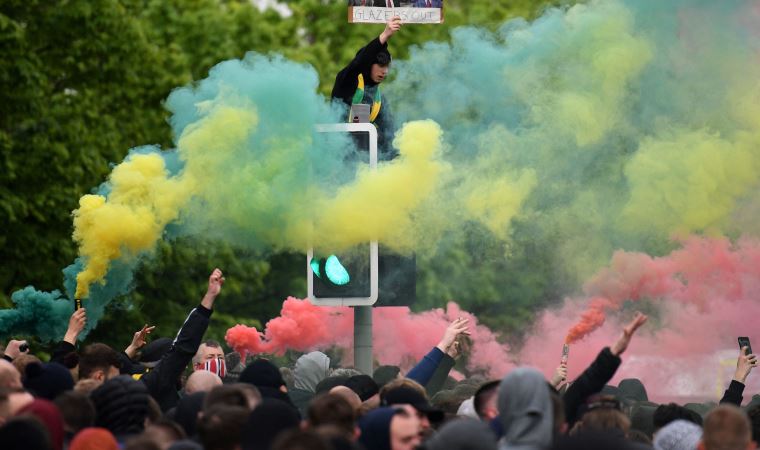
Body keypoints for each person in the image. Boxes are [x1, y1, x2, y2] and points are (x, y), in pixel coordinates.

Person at [331, 16, 401, 155]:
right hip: (336, 155)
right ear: (368, 64)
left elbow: (389, 135)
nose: (385, 71)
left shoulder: (379, 100)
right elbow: (360, 61)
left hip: (364, 163)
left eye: (387, 66)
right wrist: (385, 35)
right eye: (381, 65)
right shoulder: (346, 81)